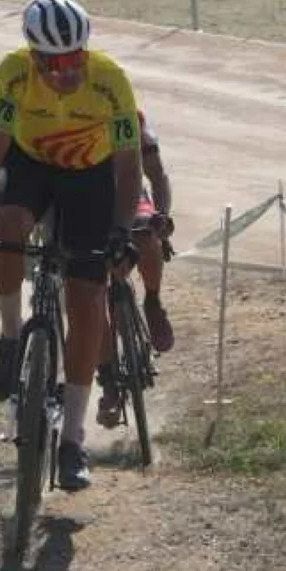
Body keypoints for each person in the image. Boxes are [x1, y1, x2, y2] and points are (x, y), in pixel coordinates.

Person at [0, 0, 143, 492]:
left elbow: (129, 167)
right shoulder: (13, 74)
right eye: (54, 62)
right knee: (6, 227)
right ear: (33, 56)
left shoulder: (110, 80)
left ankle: (73, 441)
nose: (66, 71)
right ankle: (9, 336)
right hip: (31, 167)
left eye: (74, 58)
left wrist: (122, 233)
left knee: (87, 302)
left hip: (91, 177)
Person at [96, 112, 175, 428]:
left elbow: (157, 175)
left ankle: (153, 301)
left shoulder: (130, 114)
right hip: (86, 199)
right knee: (92, 294)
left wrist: (163, 215)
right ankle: (108, 378)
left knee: (147, 235)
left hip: (131, 196)